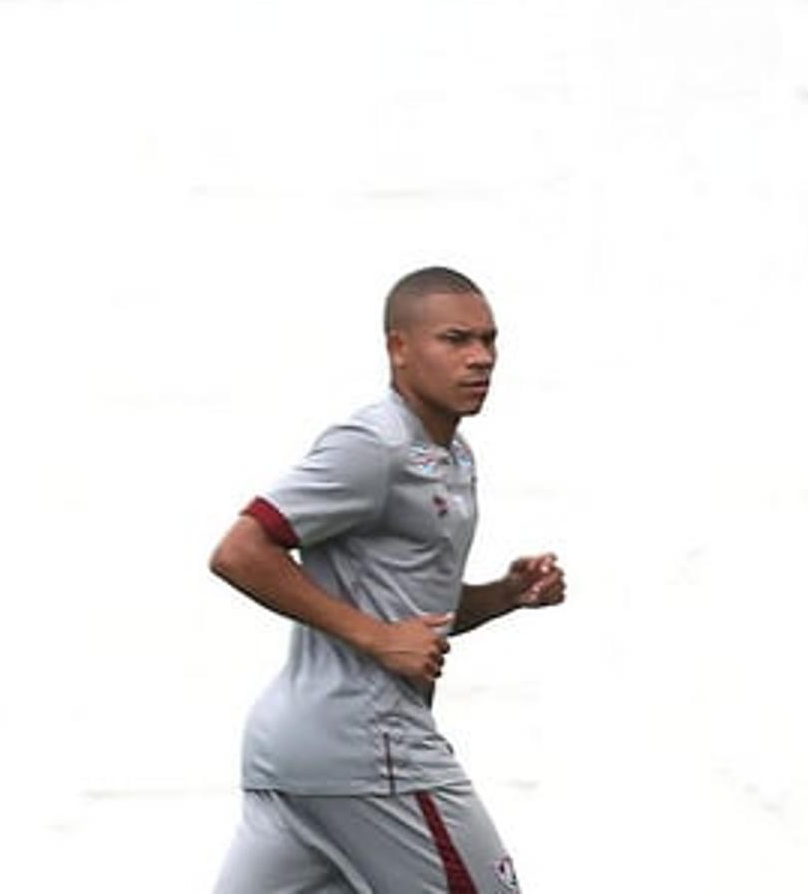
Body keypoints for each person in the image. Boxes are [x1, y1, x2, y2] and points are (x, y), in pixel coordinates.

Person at [208, 266, 566, 894]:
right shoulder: (372, 446)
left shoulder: (454, 458)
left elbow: (413, 612)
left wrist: (506, 596)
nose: (481, 358)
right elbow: (241, 551)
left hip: (296, 754)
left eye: (489, 340)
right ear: (399, 348)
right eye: (456, 340)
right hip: (371, 750)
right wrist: (375, 638)